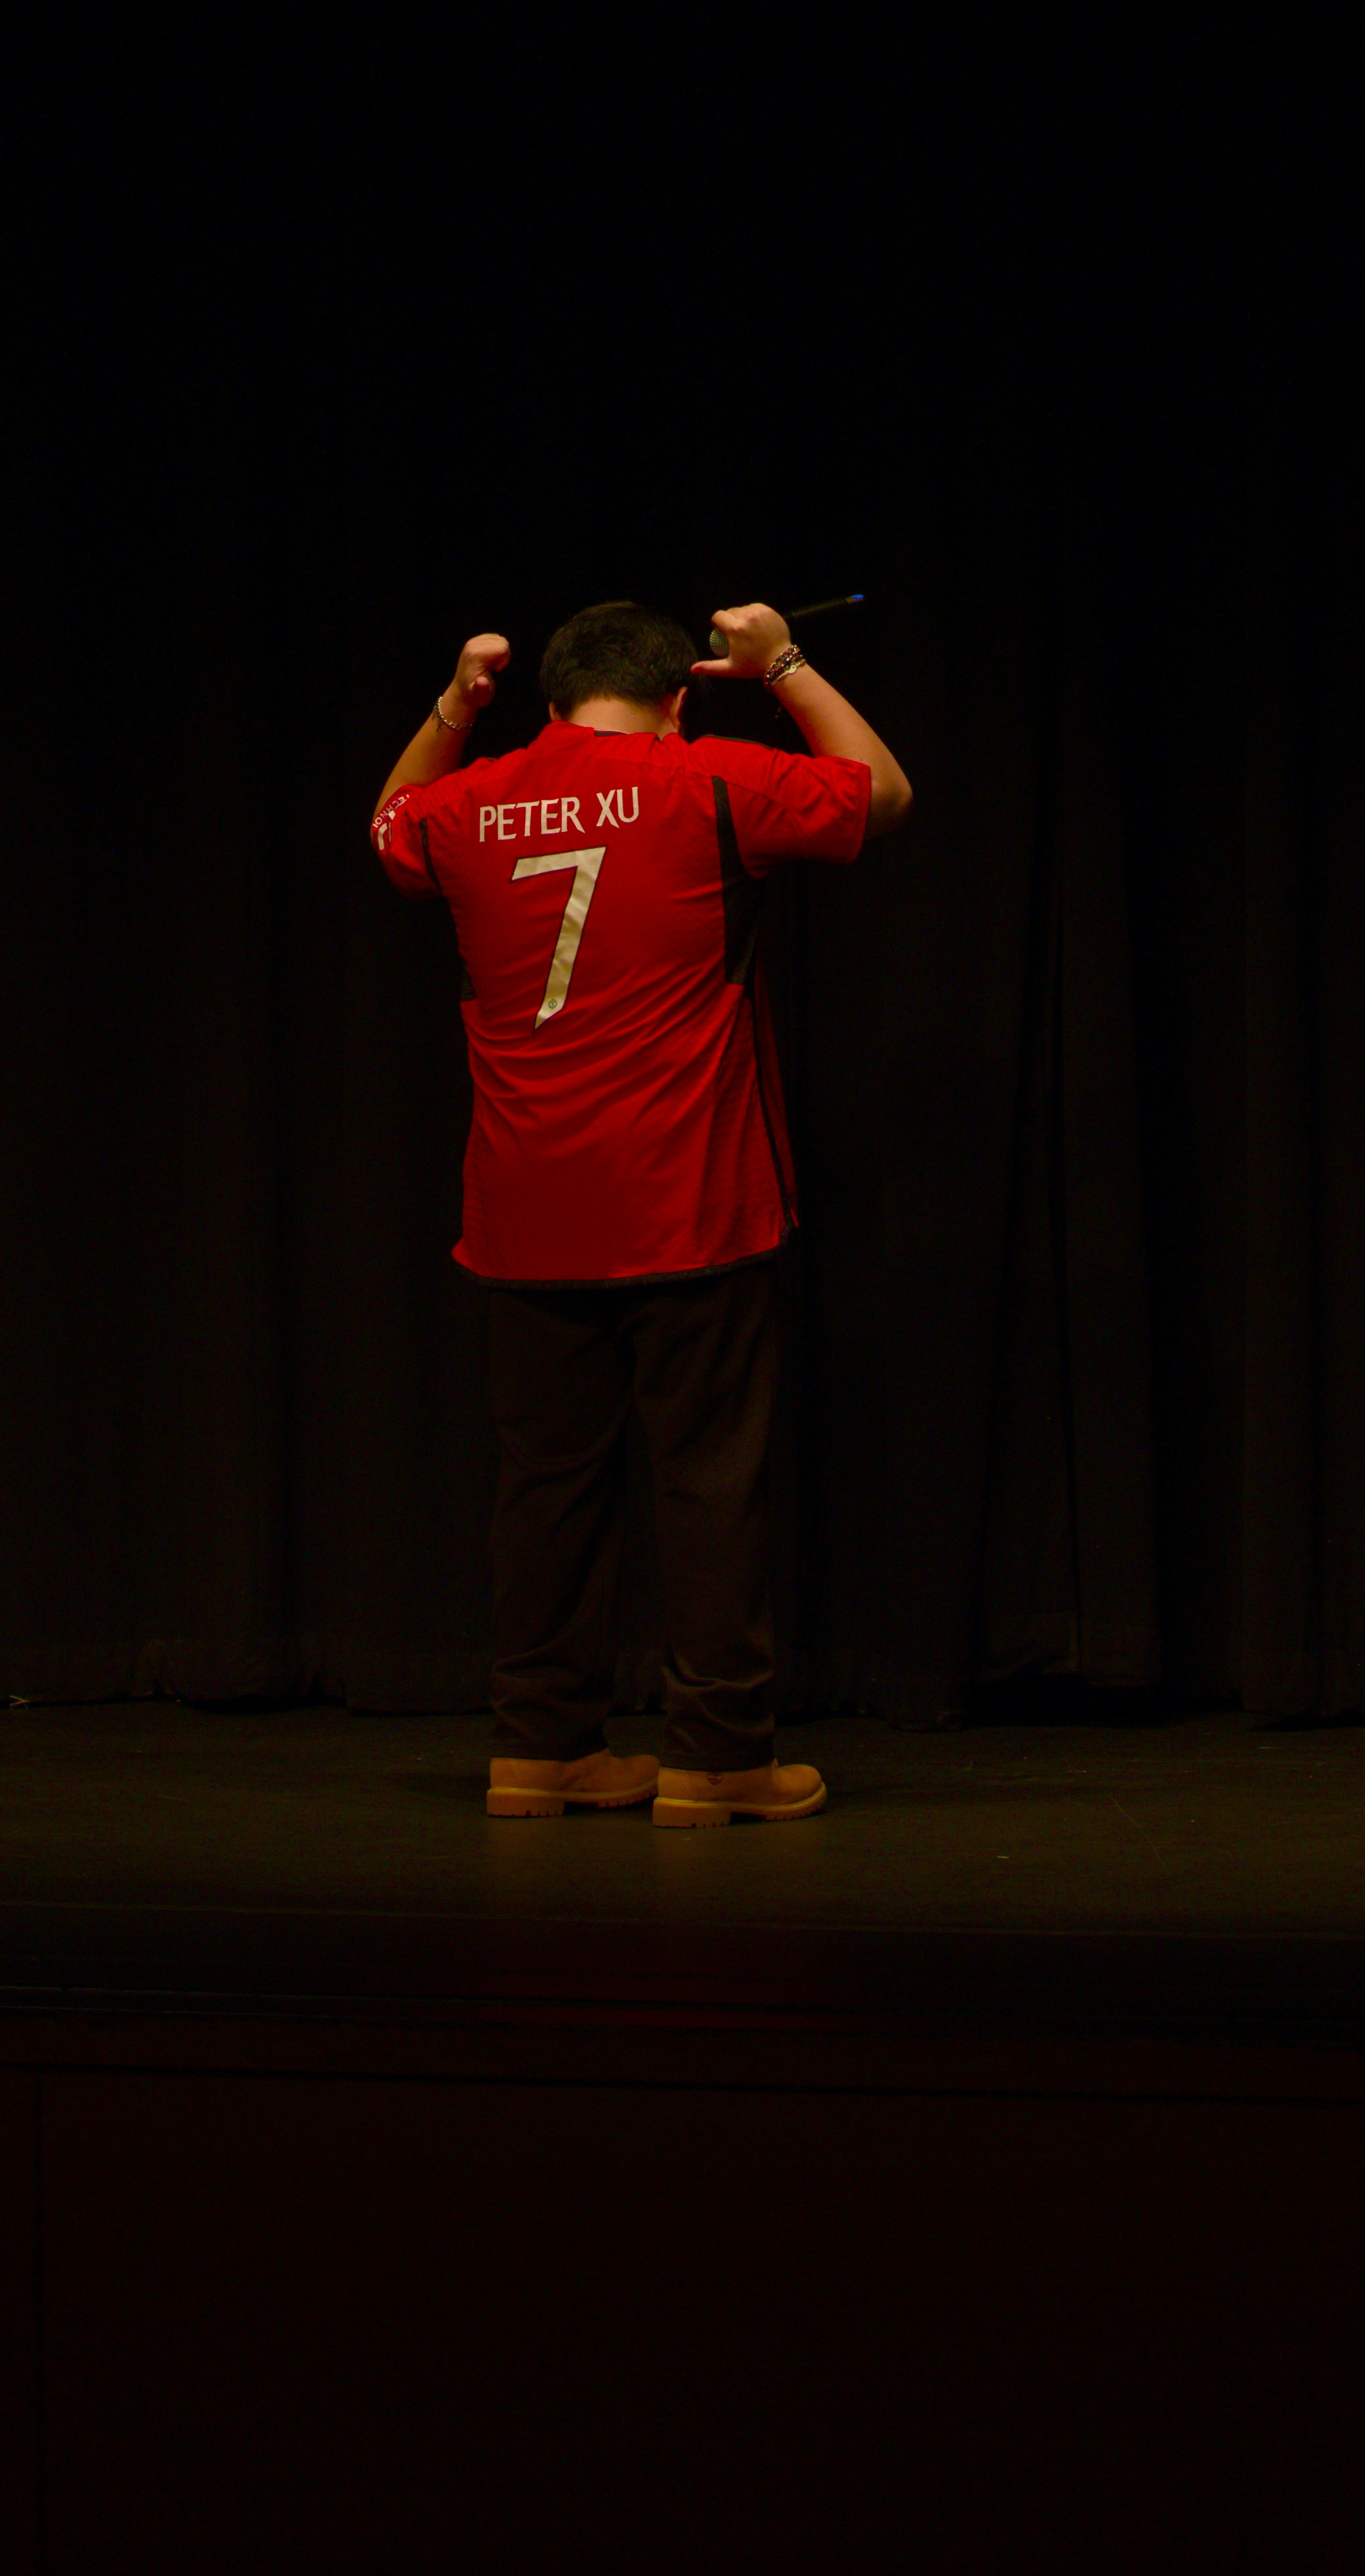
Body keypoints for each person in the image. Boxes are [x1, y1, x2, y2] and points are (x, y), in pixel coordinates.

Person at [370, 590, 912, 1822]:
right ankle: (717, 1759)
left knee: (545, 1488)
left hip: (528, 1215)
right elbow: (880, 793)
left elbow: (386, 822)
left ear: (552, 701)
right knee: (709, 1486)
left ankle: (539, 1747)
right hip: (689, 1205)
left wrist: (454, 706)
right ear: (678, 699)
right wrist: (784, 664)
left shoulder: (468, 804)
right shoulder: (710, 779)